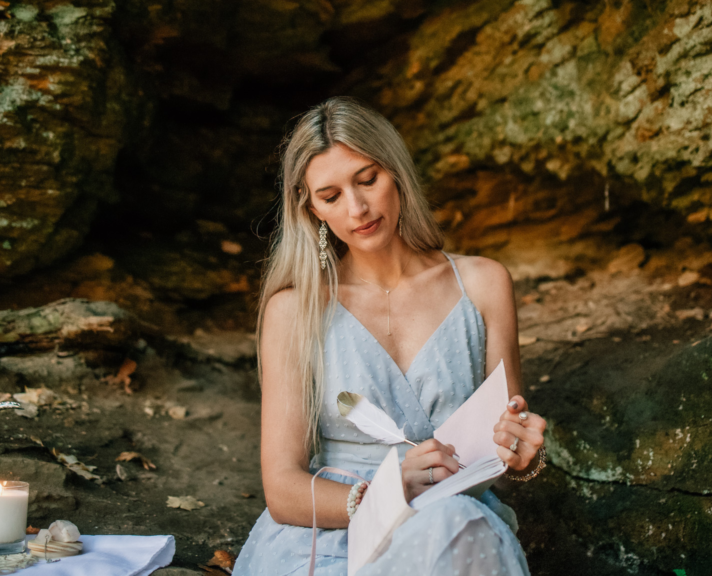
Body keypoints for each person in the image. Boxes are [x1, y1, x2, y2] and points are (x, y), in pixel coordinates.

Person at [233, 96, 548, 576]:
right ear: (311, 208)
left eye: (367, 179)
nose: (357, 208)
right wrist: (387, 493)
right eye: (331, 196)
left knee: (456, 524)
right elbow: (282, 489)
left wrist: (522, 457)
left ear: (396, 171)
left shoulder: (484, 285)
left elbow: (502, 454)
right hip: (330, 532)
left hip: (453, 519)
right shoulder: (294, 310)